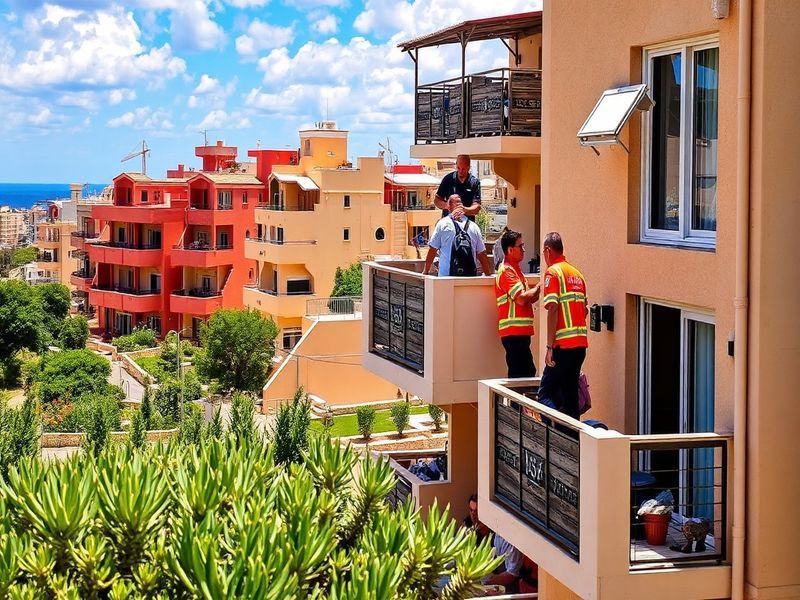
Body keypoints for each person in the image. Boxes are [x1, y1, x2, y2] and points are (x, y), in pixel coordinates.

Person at [538, 232, 589, 420]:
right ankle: (573, 441)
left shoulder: (553, 272)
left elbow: (553, 309)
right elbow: (585, 310)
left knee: (544, 395)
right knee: (570, 396)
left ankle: (556, 434)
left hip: (563, 347)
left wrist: (550, 347)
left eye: (544, 252)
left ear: (548, 251)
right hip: (580, 346)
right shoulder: (578, 275)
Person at [495, 230, 540, 378]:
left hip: (519, 332)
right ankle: (516, 402)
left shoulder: (515, 270)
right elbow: (521, 299)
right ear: (510, 250)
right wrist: (540, 286)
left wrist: (536, 291)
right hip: (513, 332)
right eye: (520, 246)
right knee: (522, 376)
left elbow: (528, 298)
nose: (523, 250)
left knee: (523, 374)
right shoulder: (507, 271)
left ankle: (517, 402)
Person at [423, 194, 491, 277]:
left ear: (448, 206)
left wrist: (426, 271)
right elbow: (482, 254)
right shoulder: (474, 226)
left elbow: (433, 249)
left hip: (446, 277)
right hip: (469, 277)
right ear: (462, 207)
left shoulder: (442, 224)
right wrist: (488, 275)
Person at [434, 154, 481, 221]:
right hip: (449, 223)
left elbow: (477, 208)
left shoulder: (474, 182)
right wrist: (447, 206)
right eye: (458, 168)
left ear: (468, 168)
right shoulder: (448, 179)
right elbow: (437, 200)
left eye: (463, 169)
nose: (460, 171)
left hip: (467, 225)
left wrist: (465, 210)